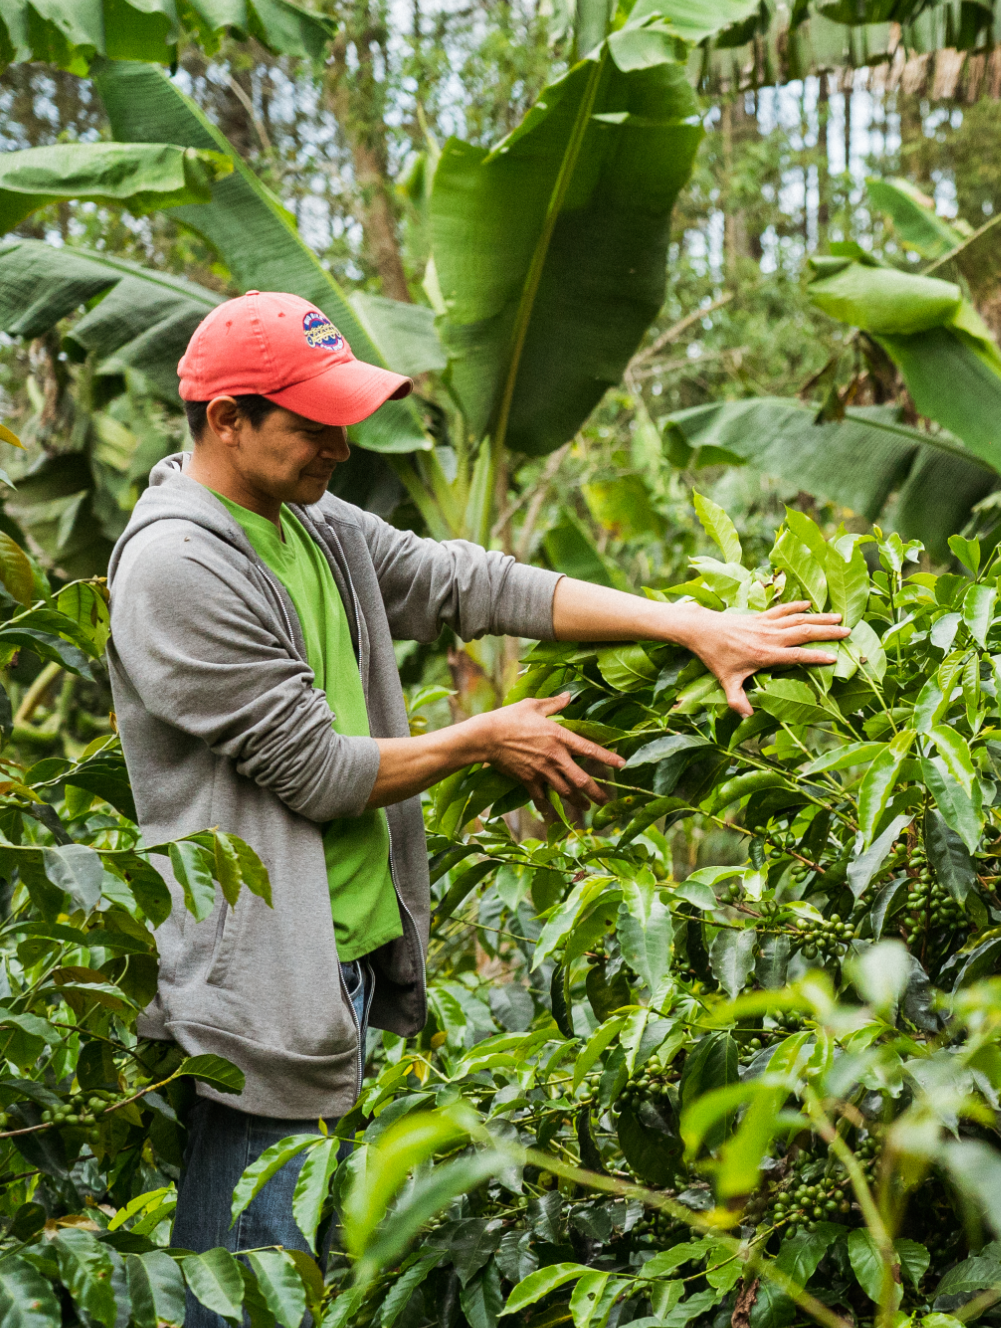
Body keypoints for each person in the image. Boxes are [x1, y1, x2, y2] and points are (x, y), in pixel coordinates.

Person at [107, 291, 847, 1313]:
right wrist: (484, 734)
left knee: (298, 1263)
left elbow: (464, 580)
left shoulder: (311, 521)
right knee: (246, 1278)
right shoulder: (176, 567)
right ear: (228, 418)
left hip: (343, 961)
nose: (340, 445)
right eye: (312, 422)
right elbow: (318, 772)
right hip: (259, 977)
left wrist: (688, 623)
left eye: (344, 418)